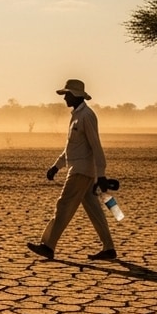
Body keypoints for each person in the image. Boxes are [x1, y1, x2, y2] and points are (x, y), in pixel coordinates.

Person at [26, 78, 117, 261]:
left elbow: (96, 147)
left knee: (63, 205)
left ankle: (48, 246)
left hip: (81, 172)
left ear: (76, 95)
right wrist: (56, 166)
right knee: (95, 211)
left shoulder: (86, 116)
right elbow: (71, 148)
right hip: (80, 170)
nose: (64, 98)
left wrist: (101, 175)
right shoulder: (76, 115)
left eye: (67, 94)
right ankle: (109, 249)